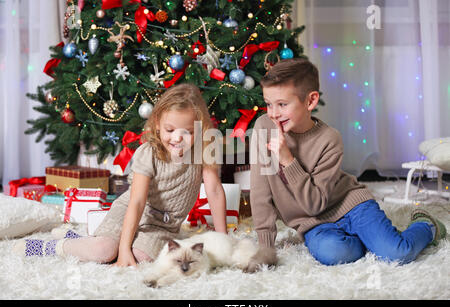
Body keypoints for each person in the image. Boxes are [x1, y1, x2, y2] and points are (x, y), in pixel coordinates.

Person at [247, 58, 447, 268]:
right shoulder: (263, 128)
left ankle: (426, 225)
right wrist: (265, 248)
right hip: (313, 224)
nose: (273, 113)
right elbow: (261, 192)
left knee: (396, 253)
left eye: (282, 104)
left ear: (310, 101)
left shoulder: (330, 139)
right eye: (268, 104)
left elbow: (314, 204)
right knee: (334, 254)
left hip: (352, 206)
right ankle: (369, 240)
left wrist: (287, 159)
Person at [14, 84, 227, 267]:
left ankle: (86, 240)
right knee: (105, 251)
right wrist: (123, 248)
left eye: (187, 132)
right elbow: (136, 202)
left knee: (142, 257)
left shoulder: (203, 152)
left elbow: (215, 191)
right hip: (131, 210)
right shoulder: (149, 153)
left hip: (161, 225)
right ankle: (55, 246)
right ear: (158, 126)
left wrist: (223, 239)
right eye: (170, 130)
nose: (177, 138)